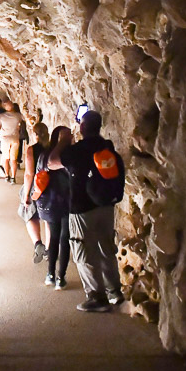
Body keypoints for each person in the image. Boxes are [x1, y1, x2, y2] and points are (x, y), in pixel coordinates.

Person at [49, 111, 123, 312]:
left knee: (83, 251)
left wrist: (64, 140)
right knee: (106, 248)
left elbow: (52, 162)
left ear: (82, 128)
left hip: (82, 208)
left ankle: (96, 297)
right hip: (106, 206)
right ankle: (114, 291)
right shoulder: (106, 146)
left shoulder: (78, 150)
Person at [36, 125, 72, 290]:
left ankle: (50, 274)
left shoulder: (44, 155)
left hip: (49, 202)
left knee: (54, 239)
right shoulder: (67, 157)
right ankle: (60, 277)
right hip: (67, 201)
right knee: (65, 239)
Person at [19, 123, 50, 265]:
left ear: (35, 135)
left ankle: (38, 243)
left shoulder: (32, 150)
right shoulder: (53, 149)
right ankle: (49, 250)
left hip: (35, 187)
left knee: (30, 214)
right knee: (49, 219)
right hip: (50, 186)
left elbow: (29, 174)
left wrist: (26, 195)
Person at [0, 101, 25, 183]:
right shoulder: (18, 115)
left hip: (5, 138)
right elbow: (20, 124)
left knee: (6, 158)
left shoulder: (1, 116)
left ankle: (7, 176)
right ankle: (13, 177)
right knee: (13, 159)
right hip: (15, 138)